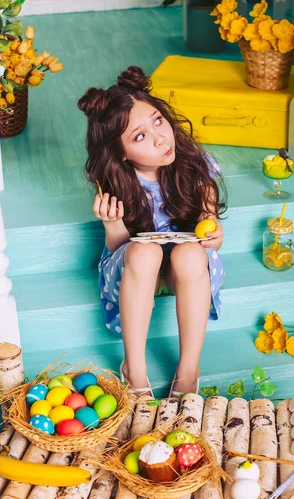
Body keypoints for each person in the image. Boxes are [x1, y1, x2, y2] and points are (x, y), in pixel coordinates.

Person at [78, 66, 226, 397]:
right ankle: (135, 369)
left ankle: (189, 368)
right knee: (145, 252)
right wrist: (111, 222)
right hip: (136, 269)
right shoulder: (117, 182)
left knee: (191, 254)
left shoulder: (193, 164)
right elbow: (119, 248)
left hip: (183, 269)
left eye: (158, 120)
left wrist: (214, 234)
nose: (160, 138)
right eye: (140, 136)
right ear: (121, 153)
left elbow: (210, 222)